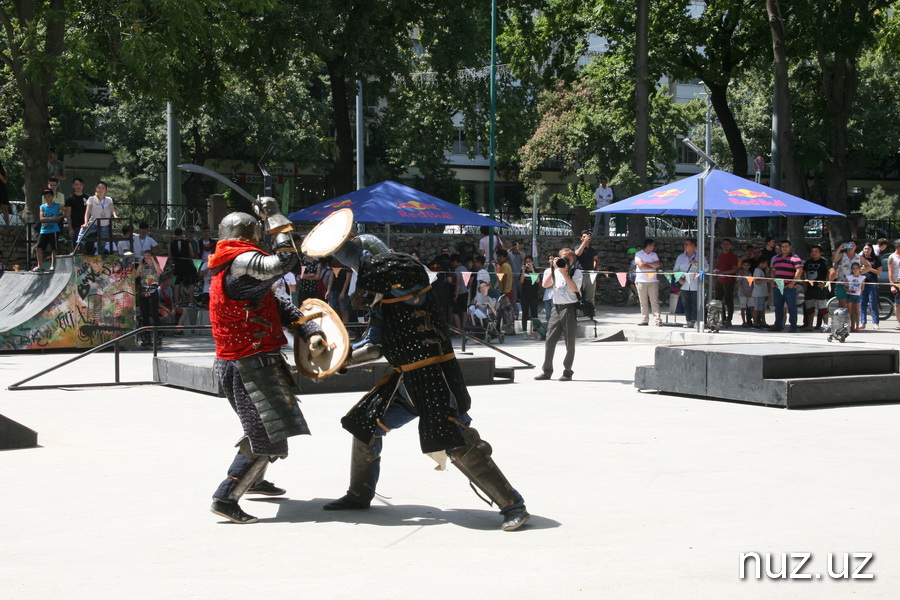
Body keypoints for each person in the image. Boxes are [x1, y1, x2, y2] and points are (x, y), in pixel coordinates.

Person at [322, 233, 530, 532]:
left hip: (436, 380)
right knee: (365, 426)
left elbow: (374, 346)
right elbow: (378, 343)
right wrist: (341, 358)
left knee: (457, 443)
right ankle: (359, 493)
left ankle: (513, 504)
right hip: (406, 380)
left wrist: (340, 361)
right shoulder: (409, 287)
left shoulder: (398, 290)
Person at [208, 205, 329, 524]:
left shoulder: (243, 274)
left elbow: (279, 305)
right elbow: (286, 260)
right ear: (254, 236)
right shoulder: (238, 265)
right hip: (245, 366)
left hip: (258, 362)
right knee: (263, 432)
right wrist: (275, 215)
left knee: (271, 427)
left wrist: (312, 332)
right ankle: (226, 496)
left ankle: (254, 478)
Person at [535, 247, 582, 381]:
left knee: (569, 341)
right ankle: (547, 370)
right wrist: (554, 269)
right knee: (550, 340)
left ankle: (567, 371)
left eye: (568, 258)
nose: (565, 260)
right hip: (557, 308)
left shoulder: (576, 272)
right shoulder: (554, 271)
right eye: (563, 257)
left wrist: (565, 272)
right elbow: (544, 284)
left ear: (572, 260)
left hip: (569, 308)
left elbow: (575, 288)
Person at [769, 240, 803, 333]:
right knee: (778, 307)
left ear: (790, 247)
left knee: (792, 307)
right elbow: (773, 270)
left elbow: (799, 271)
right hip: (777, 287)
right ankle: (778, 325)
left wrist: (792, 283)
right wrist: (772, 280)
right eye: (782, 246)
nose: (784, 248)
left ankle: (793, 326)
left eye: (786, 246)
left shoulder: (795, 258)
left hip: (789, 287)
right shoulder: (776, 258)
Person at [76, 181, 117, 254]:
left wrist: (115, 216)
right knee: (83, 230)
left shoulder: (109, 199)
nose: (100, 190)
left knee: (102, 242)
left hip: (105, 224)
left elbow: (112, 209)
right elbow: (87, 212)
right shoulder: (91, 198)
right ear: (96, 189)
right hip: (94, 222)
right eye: (99, 188)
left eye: (103, 188)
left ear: (106, 190)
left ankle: (99, 255)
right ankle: (79, 244)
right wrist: (85, 223)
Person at [673, 238, 703, 328]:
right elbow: (676, 270)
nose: (685, 246)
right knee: (686, 303)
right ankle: (688, 320)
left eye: (687, 244)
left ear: (693, 246)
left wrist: (696, 264)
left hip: (695, 283)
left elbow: (706, 268)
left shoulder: (700, 256)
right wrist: (679, 279)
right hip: (684, 283)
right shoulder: (680, 257)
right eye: (684, 244)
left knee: (695, 302)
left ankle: (695, 320)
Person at [136, 250, 163, 346]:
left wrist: (153, 261)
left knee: (154, 313)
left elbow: (159, 272)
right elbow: (136, 275)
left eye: (148, 257)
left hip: (152, 291)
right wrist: (140, 266)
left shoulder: (156, 266)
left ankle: (158, 336)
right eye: (145, 257)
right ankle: (147, 337)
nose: (146, 259)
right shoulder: (143, 267)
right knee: (144, 315)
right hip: (143, 291)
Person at [831, 239, 868, 309]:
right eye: (849, 245)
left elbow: (868, 266)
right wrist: (840, 248)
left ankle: (852, 319)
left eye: (852, 245)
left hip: (854, 284)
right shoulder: (842, 255)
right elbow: (833, 259)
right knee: (842, 305)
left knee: (853, 306)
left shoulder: (859, 257)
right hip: (842, 283)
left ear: (856, 247)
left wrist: (860, 273)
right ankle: (842, 319)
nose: (851, 247)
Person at [802, 245, 831, 331]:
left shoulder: (825, 262)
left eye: (816, 251)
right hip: (809, 288)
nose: (814, 253)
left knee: (822, 308)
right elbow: (802, 272)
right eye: (812, 251)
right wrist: (803, 281)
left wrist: (826, 282)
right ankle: (810, 325)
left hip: (820, 289)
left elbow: (832, 272)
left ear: (820, 253)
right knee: (809, 308)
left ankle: (826, 326)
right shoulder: (808, 262)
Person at [34, 188, 63, 272]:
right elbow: (42, 219)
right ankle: (40, 266)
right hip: (44, 230)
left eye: (49, 196)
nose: (47, 198)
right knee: (38, 247)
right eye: (45, 197)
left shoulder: (57, 206)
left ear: (52, 196)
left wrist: (60, 217)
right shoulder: (42, 207)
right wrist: (54, 218)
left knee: (54, 248)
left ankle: (53, 266)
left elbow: (66, 212)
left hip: (53, 230)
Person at [634, 239, 662, 327]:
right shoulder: (638, 254)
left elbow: (657, 264)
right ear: (649, 245)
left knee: (654, 301)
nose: (654, 247)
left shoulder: (654, 254)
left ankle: (657, 320)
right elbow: (641, 265)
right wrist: (651, 265)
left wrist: (646, 264)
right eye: (653, 245)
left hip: (653, 280)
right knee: (643, 301)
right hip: (641, 280)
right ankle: (644, 319)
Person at [713, 239, 738, 327]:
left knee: (728, 300)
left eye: (727, 244)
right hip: (720, 280)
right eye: (723, 244)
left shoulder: (732, 256)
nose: (725, 246)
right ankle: (722, 318)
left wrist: (723, 273)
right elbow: (720, 266)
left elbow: (735, 269)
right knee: (718, 299)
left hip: (729, 281)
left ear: (730, 246)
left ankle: (729, 319)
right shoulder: (721, 255)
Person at [169, 227, 195, 305]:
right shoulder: (187, 242)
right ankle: (190, 302)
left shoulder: (171, 244)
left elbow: (169, 256)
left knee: (176, 284)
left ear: (174, 235)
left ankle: (176, 302)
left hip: (177, 265)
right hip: (187, 265)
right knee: (191, 283)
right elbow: (192, 254)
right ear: (182, 234)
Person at [859, 242, 882, 330]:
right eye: (865, 249)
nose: (866, 251)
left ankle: (875, 322)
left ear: (871, 250)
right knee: (862, 303)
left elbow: (879, 271)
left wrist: (869, 268)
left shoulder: (876, 259)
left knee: (873, 302)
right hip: (862, 282)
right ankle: (863, 322)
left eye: (868, 249)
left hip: (872, 282)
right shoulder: (860, 258)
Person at [574, 230, 599, 308]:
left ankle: (590, 312)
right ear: (581, 238)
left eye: (588, 237)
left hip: (590, 273)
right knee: (579, 293)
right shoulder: (578, 247)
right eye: (584, 237)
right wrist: (584, 243)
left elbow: (596, 259)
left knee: (590, 295)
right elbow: (578, 253)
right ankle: (578, 311)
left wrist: (594, 268)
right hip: (580, 273)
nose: (586, 238)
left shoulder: (592, 250)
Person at [519, 255, 541, 337]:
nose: (528, 263)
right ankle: (524, 331)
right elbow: (521, 281)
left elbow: (538, 280)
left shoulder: (536, 270)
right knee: (525, 313)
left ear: (532, 262)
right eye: (526, 262)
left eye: (529, 262)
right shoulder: (523, 270)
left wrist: (532, 270)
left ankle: (534, 332)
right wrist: (523, 271)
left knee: (534, 314)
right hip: (524, 295)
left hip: (533, 295)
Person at [751, 257, 770, 329]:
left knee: (762, 308)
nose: (766, 265)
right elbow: (757, 281)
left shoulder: (762, 271)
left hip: (762, 293)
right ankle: (755, 323)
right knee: (757, 308)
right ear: (761, 263)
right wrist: (766, 280)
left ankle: (763, 322)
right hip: (758, 293)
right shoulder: (757, 270)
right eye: (765, 263)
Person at [736, 261, 753, 327]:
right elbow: (739, 283)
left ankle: (752, 320)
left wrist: (751, 291)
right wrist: (745, 291)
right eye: (745, 265)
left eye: (747, 265)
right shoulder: (740, 274)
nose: (746, 267)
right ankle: (744, 321)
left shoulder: (750, 273)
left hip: (750, 292)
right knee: (743, 307)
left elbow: (751, 283)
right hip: (742, 293)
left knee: (752, 306)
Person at [888, 241, 900, 329]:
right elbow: (890, 272)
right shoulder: (892, 257)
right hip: (897, 282)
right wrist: (892, 284)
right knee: (898, 304)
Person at [0, 159, 9, 225]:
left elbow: (5, 181)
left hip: (2, 190)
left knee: (5, 209)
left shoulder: (3, 171)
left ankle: (7, 225)